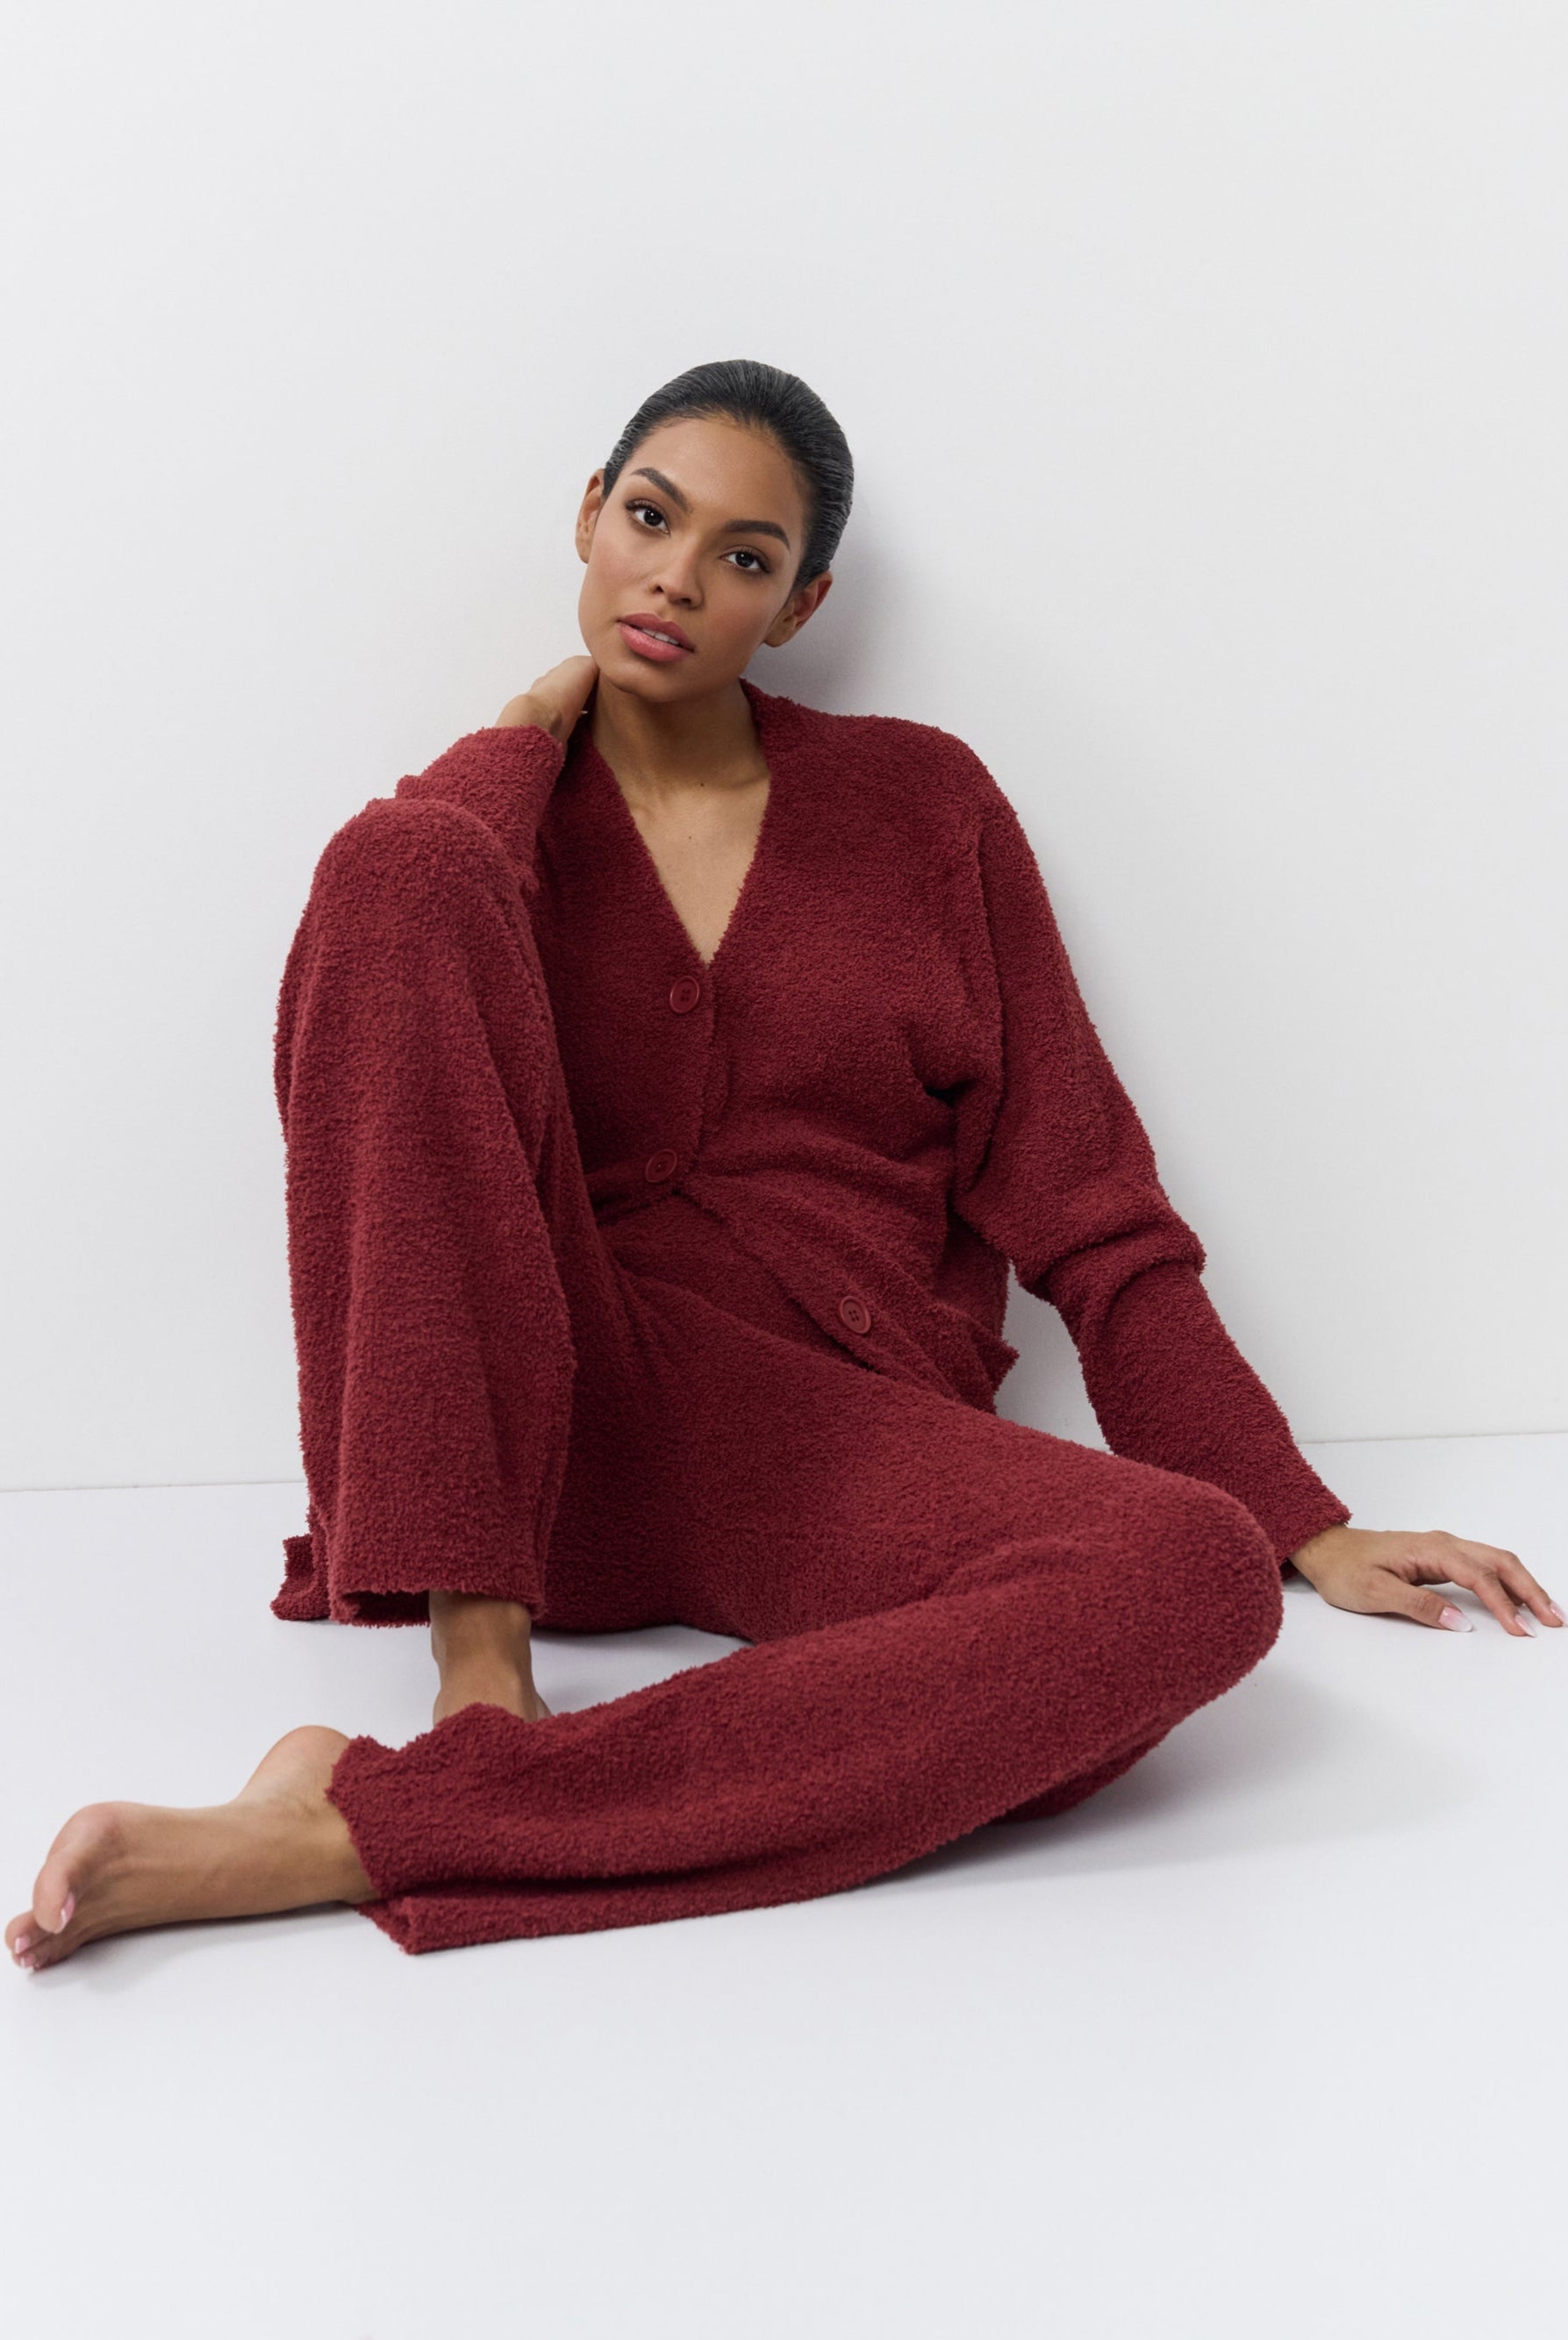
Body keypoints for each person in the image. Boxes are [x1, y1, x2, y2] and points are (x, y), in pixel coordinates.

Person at [9, 358, 1559, 1973]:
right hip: (565, 1437)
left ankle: (372, 1820)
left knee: (1188, 1579)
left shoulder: (924, 806)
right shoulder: (488, 830)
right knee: (391, 868)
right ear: (591, 521)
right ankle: (484, 1688)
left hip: (836, 1448)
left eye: (744, 557)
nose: (678, 577)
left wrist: (1296, 1516)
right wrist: (524, 731)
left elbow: (1091, 1212)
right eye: (650, 518)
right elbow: (395, 1000)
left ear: (800, 603)